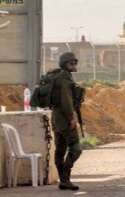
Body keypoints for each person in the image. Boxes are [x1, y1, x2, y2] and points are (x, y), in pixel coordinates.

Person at [49, 51, 83, 190]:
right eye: (71, 63)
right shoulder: (64, 78)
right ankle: (64, 178)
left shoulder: (58, 76)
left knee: (61, 148)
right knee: (75, 147)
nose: (73, 65)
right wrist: (71, 118)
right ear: (64, 63)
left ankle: (63, 180)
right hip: (63, 117)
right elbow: (66, 100)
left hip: (56, 116)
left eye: (75, 63)